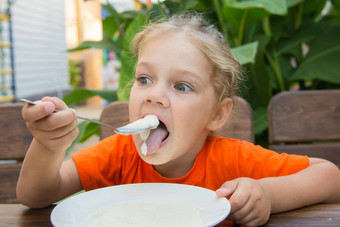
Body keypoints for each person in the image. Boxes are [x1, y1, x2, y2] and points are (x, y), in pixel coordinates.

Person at [17, 13, 340, 226]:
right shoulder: (116, 155)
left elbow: (330, 176)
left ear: (217, 113)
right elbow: (36, 195)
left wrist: (268, 194)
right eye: (144, 79)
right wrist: (47, 145)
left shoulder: (233, 160)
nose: (154, 95)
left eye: (181, 86)